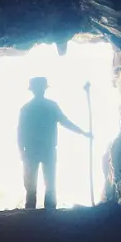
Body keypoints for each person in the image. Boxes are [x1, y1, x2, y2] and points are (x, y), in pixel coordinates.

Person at [17, 77, 91, 209]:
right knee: (49, 184)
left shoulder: (26, 108)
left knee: (31, 185)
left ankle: (29, 215)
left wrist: (21, 151)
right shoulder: (51, 106)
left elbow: (20, 132)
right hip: (47, 150)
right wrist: (83, 133)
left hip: (32, 151)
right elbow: (65, 122)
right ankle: (50, 214)